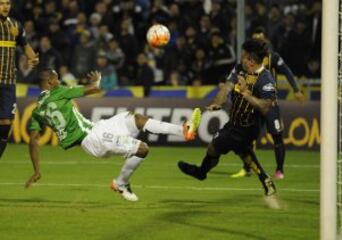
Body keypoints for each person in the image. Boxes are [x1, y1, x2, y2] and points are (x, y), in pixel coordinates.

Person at [25, 69, 201, 202]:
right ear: (49, 82)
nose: (59, 80)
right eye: (56, 77)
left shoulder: (37, 111)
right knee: (142, 149)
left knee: (135, 118)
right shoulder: (58, 92)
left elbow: (33, 142)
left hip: (96, 129)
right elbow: (94, 89)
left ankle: (183, 130)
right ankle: (121, 183)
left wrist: (36, 170)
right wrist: (96, 80)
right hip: (93, 139)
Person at [177, 39, 276, 196]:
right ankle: (266, 180)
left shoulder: (265, 79)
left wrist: (246, 94)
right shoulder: (239, 69)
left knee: (214, 147)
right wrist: (218, 102)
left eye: (244, 56)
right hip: (235, 122)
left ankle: (201, 172)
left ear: (250, 60)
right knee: (242, 150)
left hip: (248, 126)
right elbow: (227, 87)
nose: (241, 59)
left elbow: (266, 106)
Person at [231, 27, 305, 179]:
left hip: (270, 104)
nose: (258, 41)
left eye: (260, 38)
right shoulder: (246, 60)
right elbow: (235, 75)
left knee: (277, 137)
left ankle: (279, 170)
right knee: (247, 137)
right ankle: (247, 168)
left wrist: (296, 90)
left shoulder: (273, 57)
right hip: (253, 105)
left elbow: (287, 72)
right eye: (255, 38)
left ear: (265, 41)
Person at [0, 0, 39, 160]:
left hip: (8, 82)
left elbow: (25, 45)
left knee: (6, 125)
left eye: (8, 3)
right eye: (1, 3)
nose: (5, 6)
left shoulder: (16, 26)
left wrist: (32, 58)